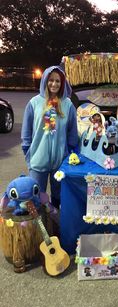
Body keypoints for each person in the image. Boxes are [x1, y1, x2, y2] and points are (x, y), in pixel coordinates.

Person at [21, 66, 78, 209]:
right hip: (38, 160)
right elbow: (26, 131)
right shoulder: (34, 103)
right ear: (45, 81)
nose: (54, 84)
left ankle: (56, 226)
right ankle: (40, 229)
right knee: (36, 197)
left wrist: (68, 154)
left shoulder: (68, 104)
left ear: (62, 83)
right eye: (51, 80)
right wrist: (29, 152)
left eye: (58, 81)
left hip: (60, 162)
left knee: (59, 197)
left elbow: (72, 132)